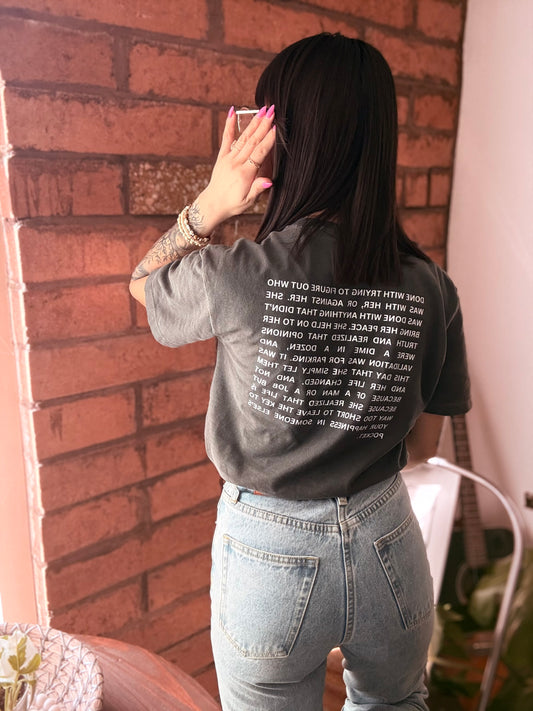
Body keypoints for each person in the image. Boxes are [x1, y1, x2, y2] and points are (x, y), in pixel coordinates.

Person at [129, 33, 471, 711]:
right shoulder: (432, 288)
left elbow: (144, 284)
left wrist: (210, 204)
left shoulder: (242, 274)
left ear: (286, 140)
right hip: (386, 535)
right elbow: (425, 444)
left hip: (268, 552)